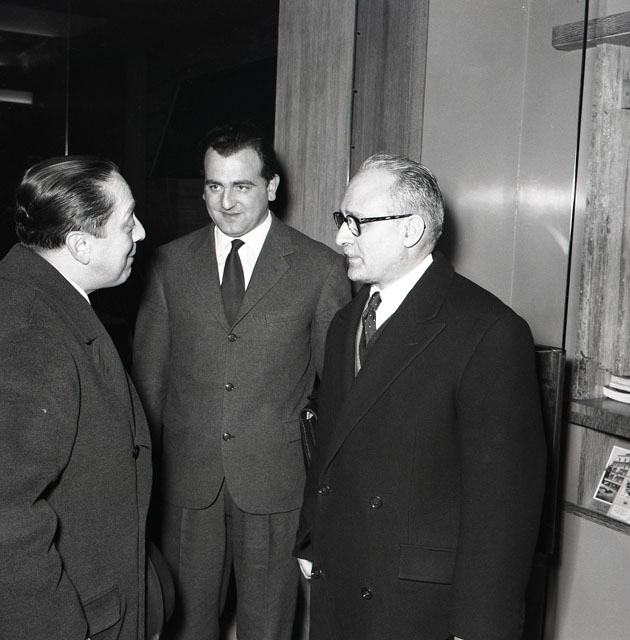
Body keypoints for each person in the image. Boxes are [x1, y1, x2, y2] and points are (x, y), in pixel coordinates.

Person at [295, 153, 547, 640]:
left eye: (356, 222)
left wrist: (481, 628)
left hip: (417, 604)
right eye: (341, 219)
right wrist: (311, 538)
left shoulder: (489, 331)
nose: (341, 236)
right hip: (340, 575)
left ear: (410, 230)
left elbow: (503, 508)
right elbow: (330, 446)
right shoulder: (347, 321)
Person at [132, 123, 351, 640]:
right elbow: (148, 384)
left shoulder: (320, 268)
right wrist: (143, 483)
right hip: (187, 484)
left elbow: (338, 392)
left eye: (242, 186)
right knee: (184, 626)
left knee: (267, 627)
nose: (226, 202)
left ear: (271, 187)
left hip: (276, 484)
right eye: (214, 186)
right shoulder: (167, 264)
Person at [0, 156, 151, 640]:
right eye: (128, 222)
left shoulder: (47, 300)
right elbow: (8, 520)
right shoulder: (31, 332)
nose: (141, 233)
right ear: (81, 245)